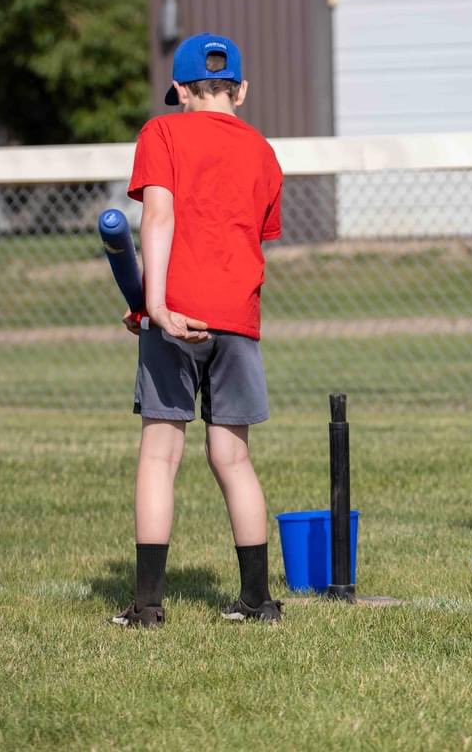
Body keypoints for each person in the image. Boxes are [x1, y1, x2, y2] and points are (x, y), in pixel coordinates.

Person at [112, 33, 284, 627]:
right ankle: (257, 601)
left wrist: (153, 304)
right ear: (242, 90)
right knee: (232, 458)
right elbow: (249, 238)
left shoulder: (162, 132)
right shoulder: (263, 151)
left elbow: (158, 214)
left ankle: (148, 606)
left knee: (161, 454)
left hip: (175, 312)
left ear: (181, 90)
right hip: (238, 319)